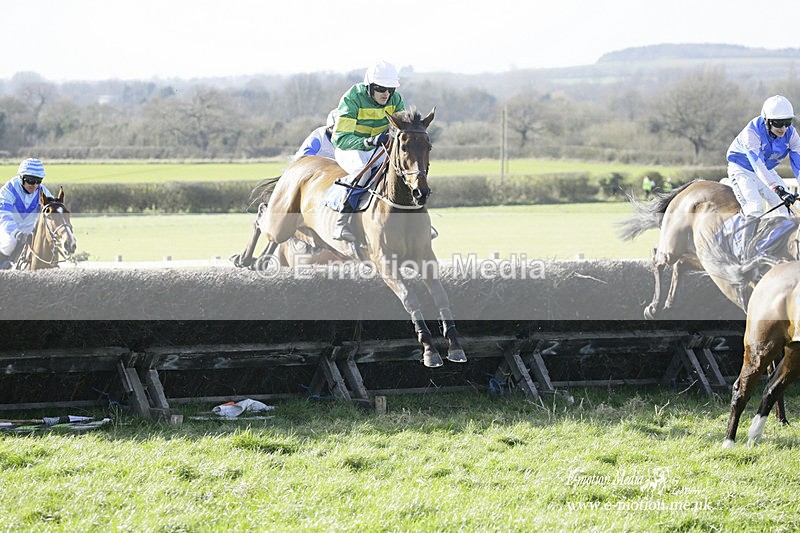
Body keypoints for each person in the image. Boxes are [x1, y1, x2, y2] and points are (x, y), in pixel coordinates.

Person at [330, 60, 405, 242]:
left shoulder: (396, 99)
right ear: (369, 86)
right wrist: (369, 141)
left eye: (391, 89)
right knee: (363, 171)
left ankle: (417, 220)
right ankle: (342, 222)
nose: (386, 94)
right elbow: (340, 138)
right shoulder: (352, 98)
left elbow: (402, 130)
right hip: (350, 148)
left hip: (379, 148)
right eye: (381, 88)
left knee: (404, 171)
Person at [726, 95, 800, 261]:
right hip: (742, 169)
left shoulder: (791, 135)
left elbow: (799, 165)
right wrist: (777, 188)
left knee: (785, 209)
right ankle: (743, 255)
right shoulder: (751, 133)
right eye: (778, 123)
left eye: (788, 122)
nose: (783, 128)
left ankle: (769, 249)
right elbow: (757, 165)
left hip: (766, 170)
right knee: (755, 208)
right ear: (766, 121)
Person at [0, 158, 53, 269]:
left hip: (30, 230)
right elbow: (3, 216)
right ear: (21, 178)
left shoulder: (42, 191)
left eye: (38, 181)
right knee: (11, 242)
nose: (34, 185)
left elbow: (52, 210)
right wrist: (17, 233)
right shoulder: (8, 190)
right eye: (30, 180)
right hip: (7, 229)